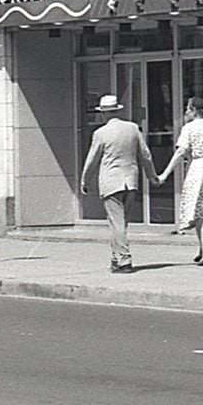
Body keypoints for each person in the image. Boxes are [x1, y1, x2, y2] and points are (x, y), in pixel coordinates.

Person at [81, 94, 151, 273]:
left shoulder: (101, 133)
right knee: (120, 222)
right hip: (130, 181)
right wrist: (152, 175)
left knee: (116, 222)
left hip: (111, 182)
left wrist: (85, 179)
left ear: (103, 114)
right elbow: (145, 154)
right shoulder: (133, 128)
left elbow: (92, 159)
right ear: (118, 110)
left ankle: (124, 260)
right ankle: (116, 257)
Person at [159, 97, 203, 265]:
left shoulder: (189, 128)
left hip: (200, 168)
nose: (185, 112)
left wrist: (164, 174)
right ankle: (202, 247)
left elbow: (181, 152)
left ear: (193, 110)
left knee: (200, 213)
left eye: (187, 109)